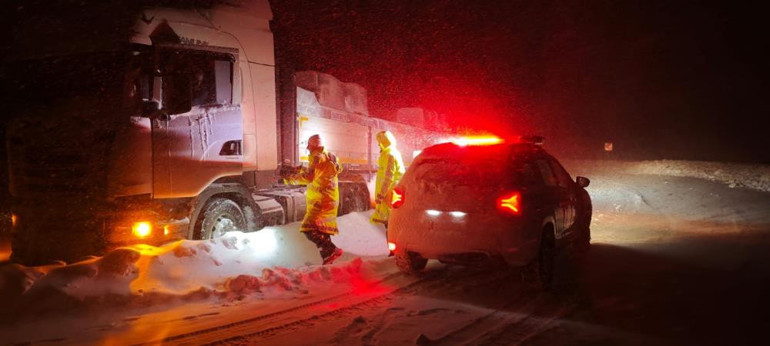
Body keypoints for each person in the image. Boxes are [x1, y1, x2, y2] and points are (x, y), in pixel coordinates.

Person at [283, 134, 344, 264]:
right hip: (330, 198)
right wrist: (302, 169)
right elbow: (321, 172)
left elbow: (309, 177)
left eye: (309, 145)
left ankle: (332, 250)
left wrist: (291, 178)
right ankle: (328, 259)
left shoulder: (316, 157)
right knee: (322, 229)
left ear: (313, 145)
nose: (307, 147)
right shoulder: (330, 156)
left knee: (308, 228)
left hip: (320, 200)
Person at [370, 130, 405, 228]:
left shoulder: (390, 155)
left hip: (389, 194)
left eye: (379, 143)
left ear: (384, 142)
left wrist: (381, 194)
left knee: (391, 223)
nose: (378, 145)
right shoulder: (389, 153)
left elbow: (388, 177)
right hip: (389, 193)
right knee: (390, 223)